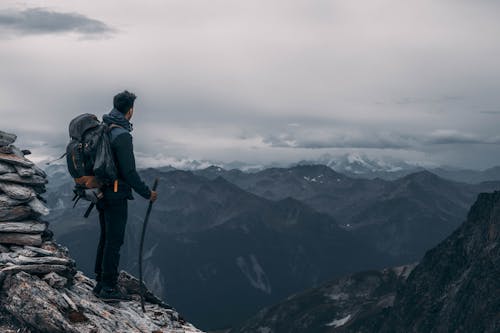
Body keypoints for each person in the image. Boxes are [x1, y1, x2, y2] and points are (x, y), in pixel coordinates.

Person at [93, 90, 158, 301]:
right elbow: (129, 172)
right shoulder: (122, 135)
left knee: (106, 237)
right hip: (115, 194)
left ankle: (100, 282)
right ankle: (109, 288)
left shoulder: (103, 129)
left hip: (100, 192)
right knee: (115, 241)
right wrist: (148, 193)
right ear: (130, 110)